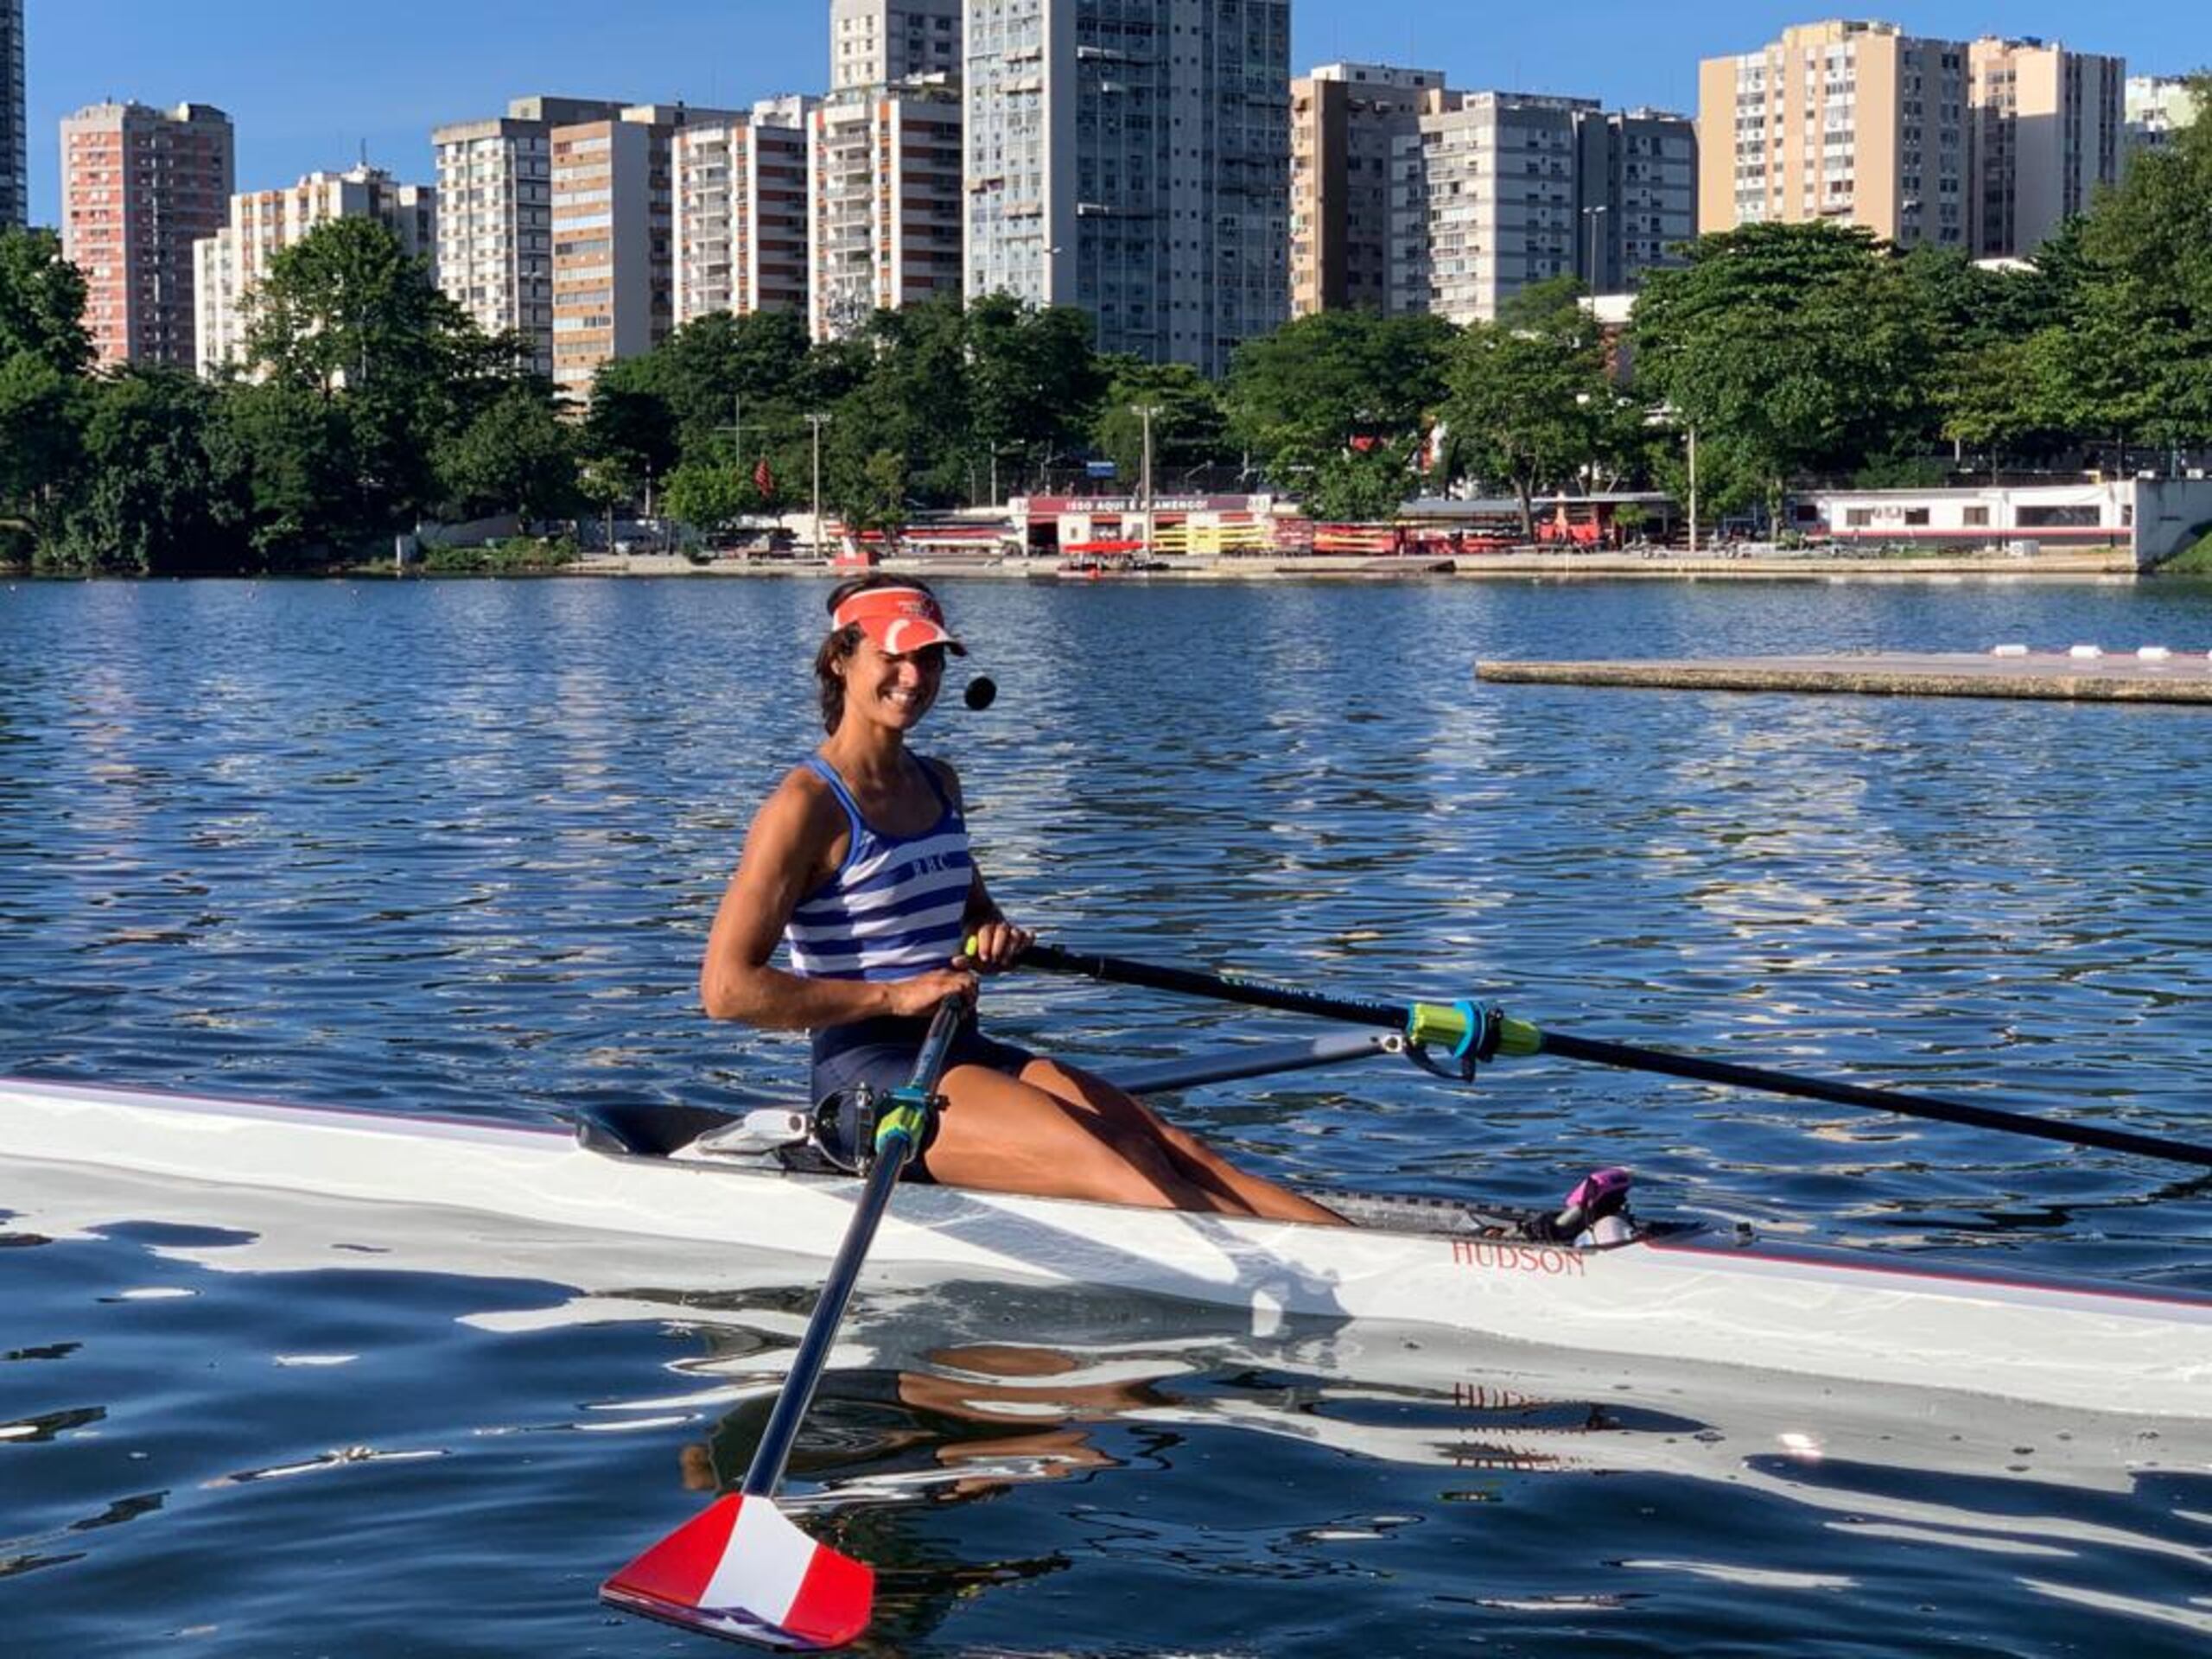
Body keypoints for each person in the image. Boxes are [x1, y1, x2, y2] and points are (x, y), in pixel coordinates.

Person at [701, 574, 1343, 1224]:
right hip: (871, 1079)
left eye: (928, 658)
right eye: (891, 657)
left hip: (959, 1045)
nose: (914, 677)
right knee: (1113, 1166)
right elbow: (727, 990)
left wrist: (991, 931)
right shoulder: (805, 806)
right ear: (841, 659)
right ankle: (1309, 1288)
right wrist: (894, 995)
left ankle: (1378, 1257)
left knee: (1174, 1149)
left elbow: (970, 909)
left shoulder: (937, 782)